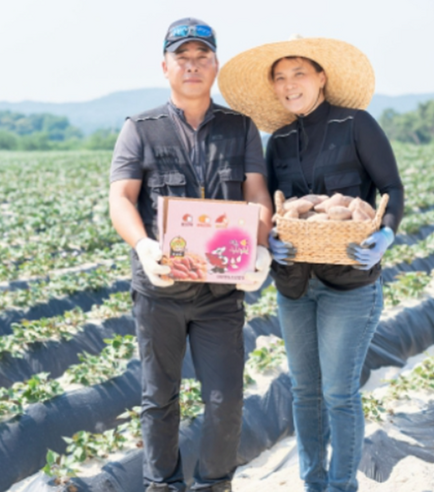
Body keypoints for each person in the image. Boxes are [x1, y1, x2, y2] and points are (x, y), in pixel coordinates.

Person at [218, 37, 404, 492]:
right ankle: (312, 483)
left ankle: (342, 486)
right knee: (304, 391)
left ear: (322, 77)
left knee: (339, 393)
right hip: (295, 283)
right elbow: (266, 203)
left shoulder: (357, 124)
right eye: (279, 78)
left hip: (351, 281)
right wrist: (270, 240)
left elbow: (391, 189)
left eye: (298, 73)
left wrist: (385, 235)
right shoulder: (277, 141)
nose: (288, 85)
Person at [109, 18, 273, 492]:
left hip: (221, 293)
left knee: (225, 400)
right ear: (166, 67)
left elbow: (258, 192)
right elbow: (121, 198)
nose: (193, 66)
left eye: (203, 58)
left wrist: (259, 246)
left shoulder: (240, 129)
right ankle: (162, 485)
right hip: (160, 291)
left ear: (216, 66)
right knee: (159, 398)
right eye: (183, 58)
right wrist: (144, 245)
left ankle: (213, 484)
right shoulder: (140, 129)